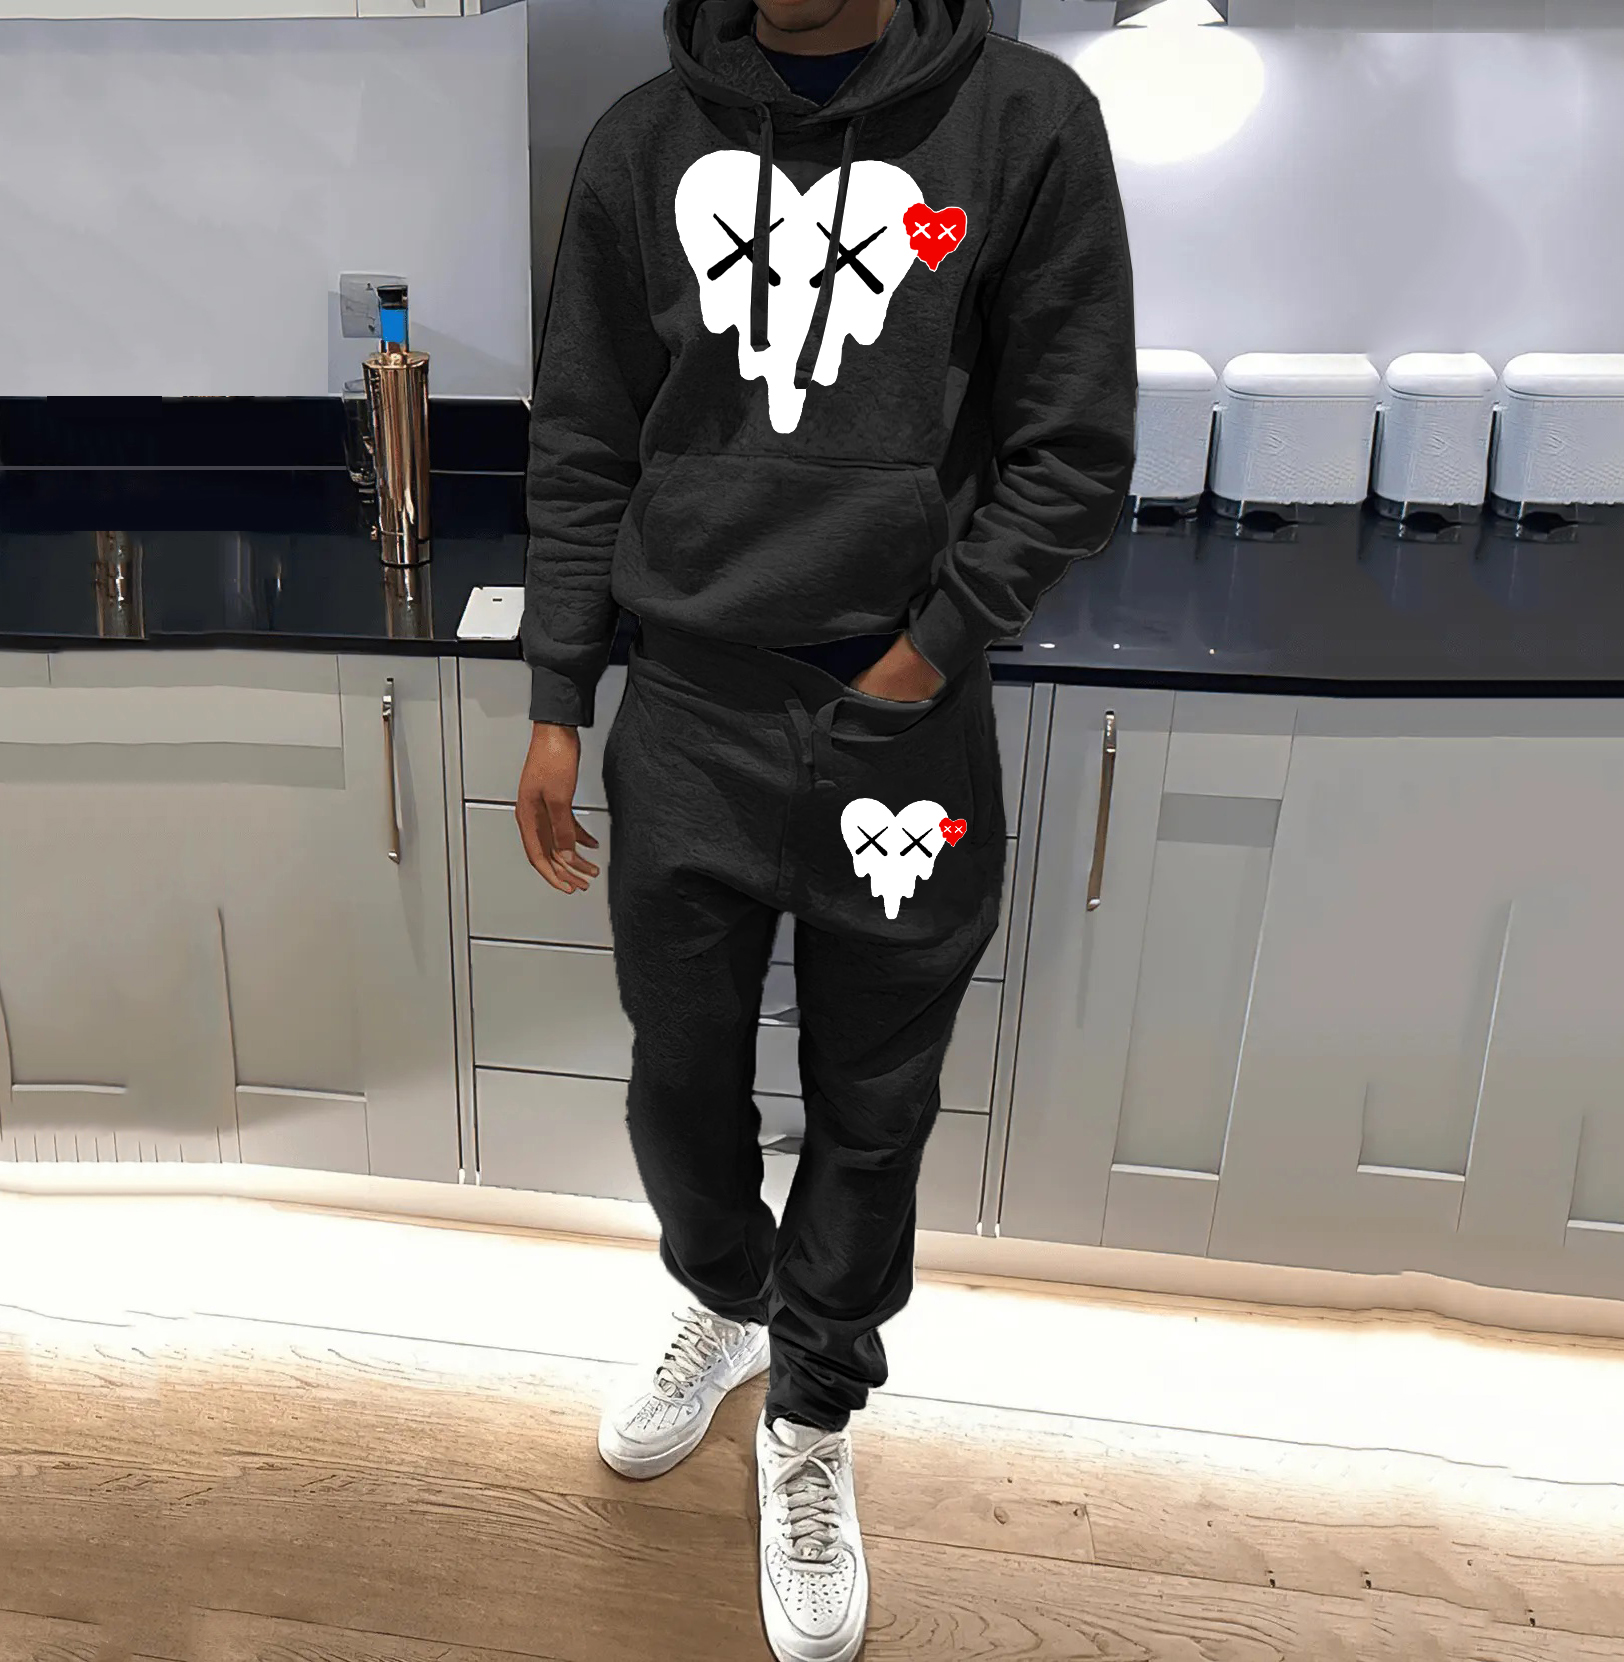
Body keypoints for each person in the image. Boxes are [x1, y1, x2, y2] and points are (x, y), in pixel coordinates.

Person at [516, 0, 1135, 1655]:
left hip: (900, 730)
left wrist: (920, 655)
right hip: (687, 713)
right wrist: (560, 691)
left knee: (873, 1102)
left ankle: (811, 1406)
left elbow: (1073, 447)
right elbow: (580, 437)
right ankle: (728, 1298)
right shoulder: (640, 146)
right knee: (677, 1076)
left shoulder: (1022, 124)